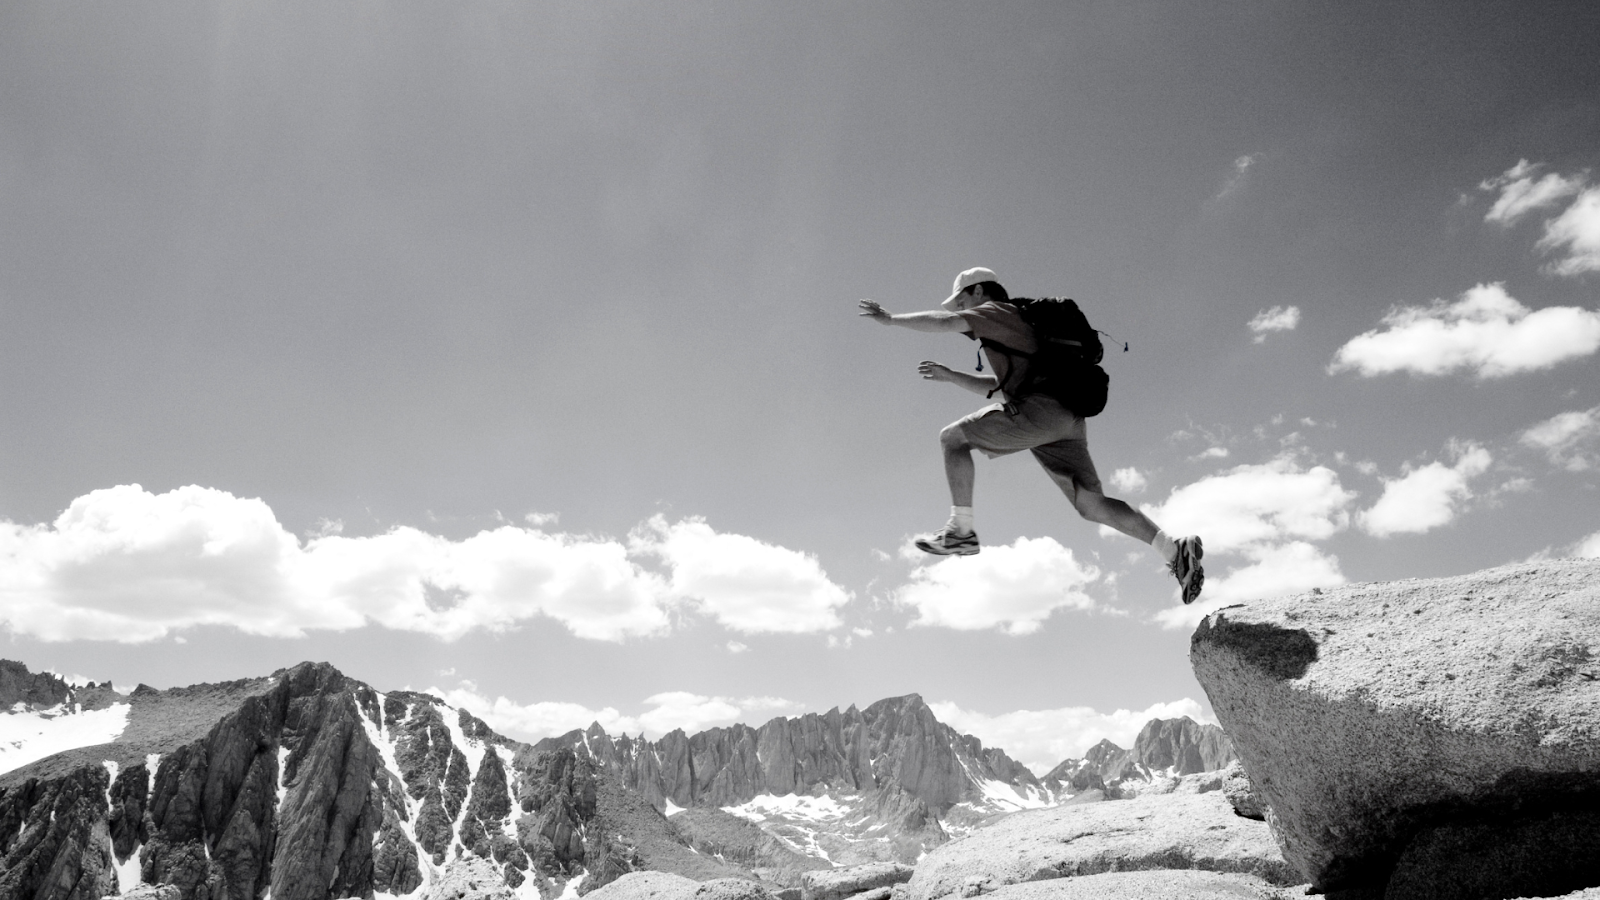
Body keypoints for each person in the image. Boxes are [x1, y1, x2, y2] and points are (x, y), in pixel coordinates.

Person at [858, 266, 1205, 604]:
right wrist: (951, 376)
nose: (961, 309)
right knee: (1090, 504)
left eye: (961, 301)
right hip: (1065, 417)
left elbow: (945, 322)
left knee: (952, 438)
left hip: (1040, 412)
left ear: (978, 291)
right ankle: (1174, 549)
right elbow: (998, 389)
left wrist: (891, 320)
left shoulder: (994, 310)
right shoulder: (1018, 323)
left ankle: (960, 531)